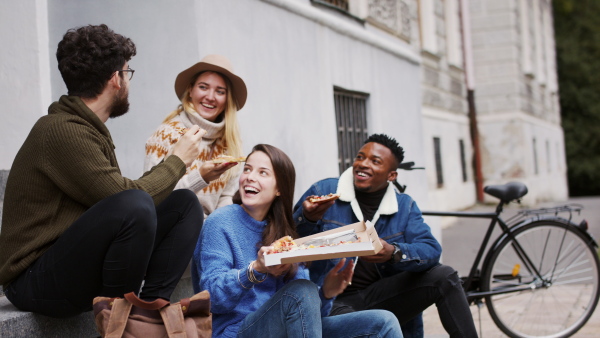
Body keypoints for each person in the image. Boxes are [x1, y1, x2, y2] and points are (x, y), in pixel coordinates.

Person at [0, 24, 205, 318]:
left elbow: (123, 199)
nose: (128, 80)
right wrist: (177, 159)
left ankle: (148, 315)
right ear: (115, 80)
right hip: (33, 280)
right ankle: (119, 324)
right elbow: (127, 200)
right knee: (135, 204)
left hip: (69, 264)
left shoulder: (84, 129)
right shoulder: (61, 132)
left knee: (184, 205)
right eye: (127, 72)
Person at [193, 144, 403, 338]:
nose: (249, 177)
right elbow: (212, 298)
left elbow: (307, 320)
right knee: (302, 289)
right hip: (237, 331)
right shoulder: (220, 222)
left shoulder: (285, 233)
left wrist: (328, 293)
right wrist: (255, 269)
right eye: (247, 169)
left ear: (279, 189)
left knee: (383, 322)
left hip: (284, 330)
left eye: (262, 172)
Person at [293, 134, 478, 338]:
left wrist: (394, 252)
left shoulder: (404, 206)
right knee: (371, 325)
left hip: (380, 296)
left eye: (375, 161)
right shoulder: (325, 191)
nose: (363, 164)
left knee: (446, 276)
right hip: (328, 300)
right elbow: (289, 242)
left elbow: (431, 249)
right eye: (360, 157)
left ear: (391, 176)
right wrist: (307, 218)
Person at [144, 54, 246, 218]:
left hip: (209, 232)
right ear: (190, 90)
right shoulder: (166, 134)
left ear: (228, 99)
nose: (210, 97)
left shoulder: (231, 143)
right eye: (203, 87)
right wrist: (200, 177)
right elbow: (152, 198)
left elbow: (225, 198)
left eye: (220, 91)